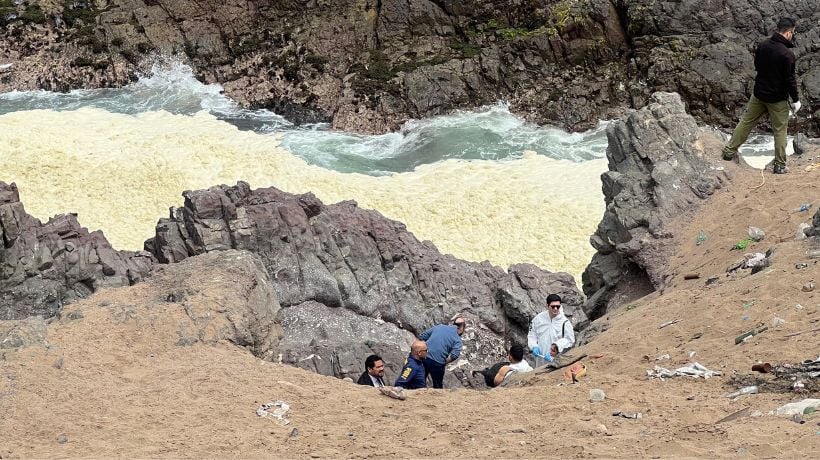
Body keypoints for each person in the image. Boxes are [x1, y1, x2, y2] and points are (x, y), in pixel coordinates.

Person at [721, 17, 801, 174]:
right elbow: (790, 81)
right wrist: (796, 100)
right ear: (788, 33)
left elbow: (757, 66)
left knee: (746, 122)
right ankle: (780, 165)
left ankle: (728, 152)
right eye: (792, 33)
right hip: (777, 99)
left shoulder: (763, 45)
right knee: (780, 130)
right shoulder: (787, 55)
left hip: (759, 94)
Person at [528, 294, 575, 367]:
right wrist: (534, 346)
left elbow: (570, 340)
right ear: (547, 306)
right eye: (553, 306)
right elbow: (531, 335)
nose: (555, 308)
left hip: (557, 361)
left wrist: (557, 346)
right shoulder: (538, 319)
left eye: (558, 306)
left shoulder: (565, 323)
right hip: (540, 359)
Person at [417, 317, 465, 388]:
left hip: (424, 357)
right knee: (438, 386)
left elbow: (422, 336)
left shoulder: (439, 326)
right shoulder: (457, 339)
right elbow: (454, 355)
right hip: (438, 363)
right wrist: (443, 362)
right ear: (462, 328)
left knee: (419, 382)